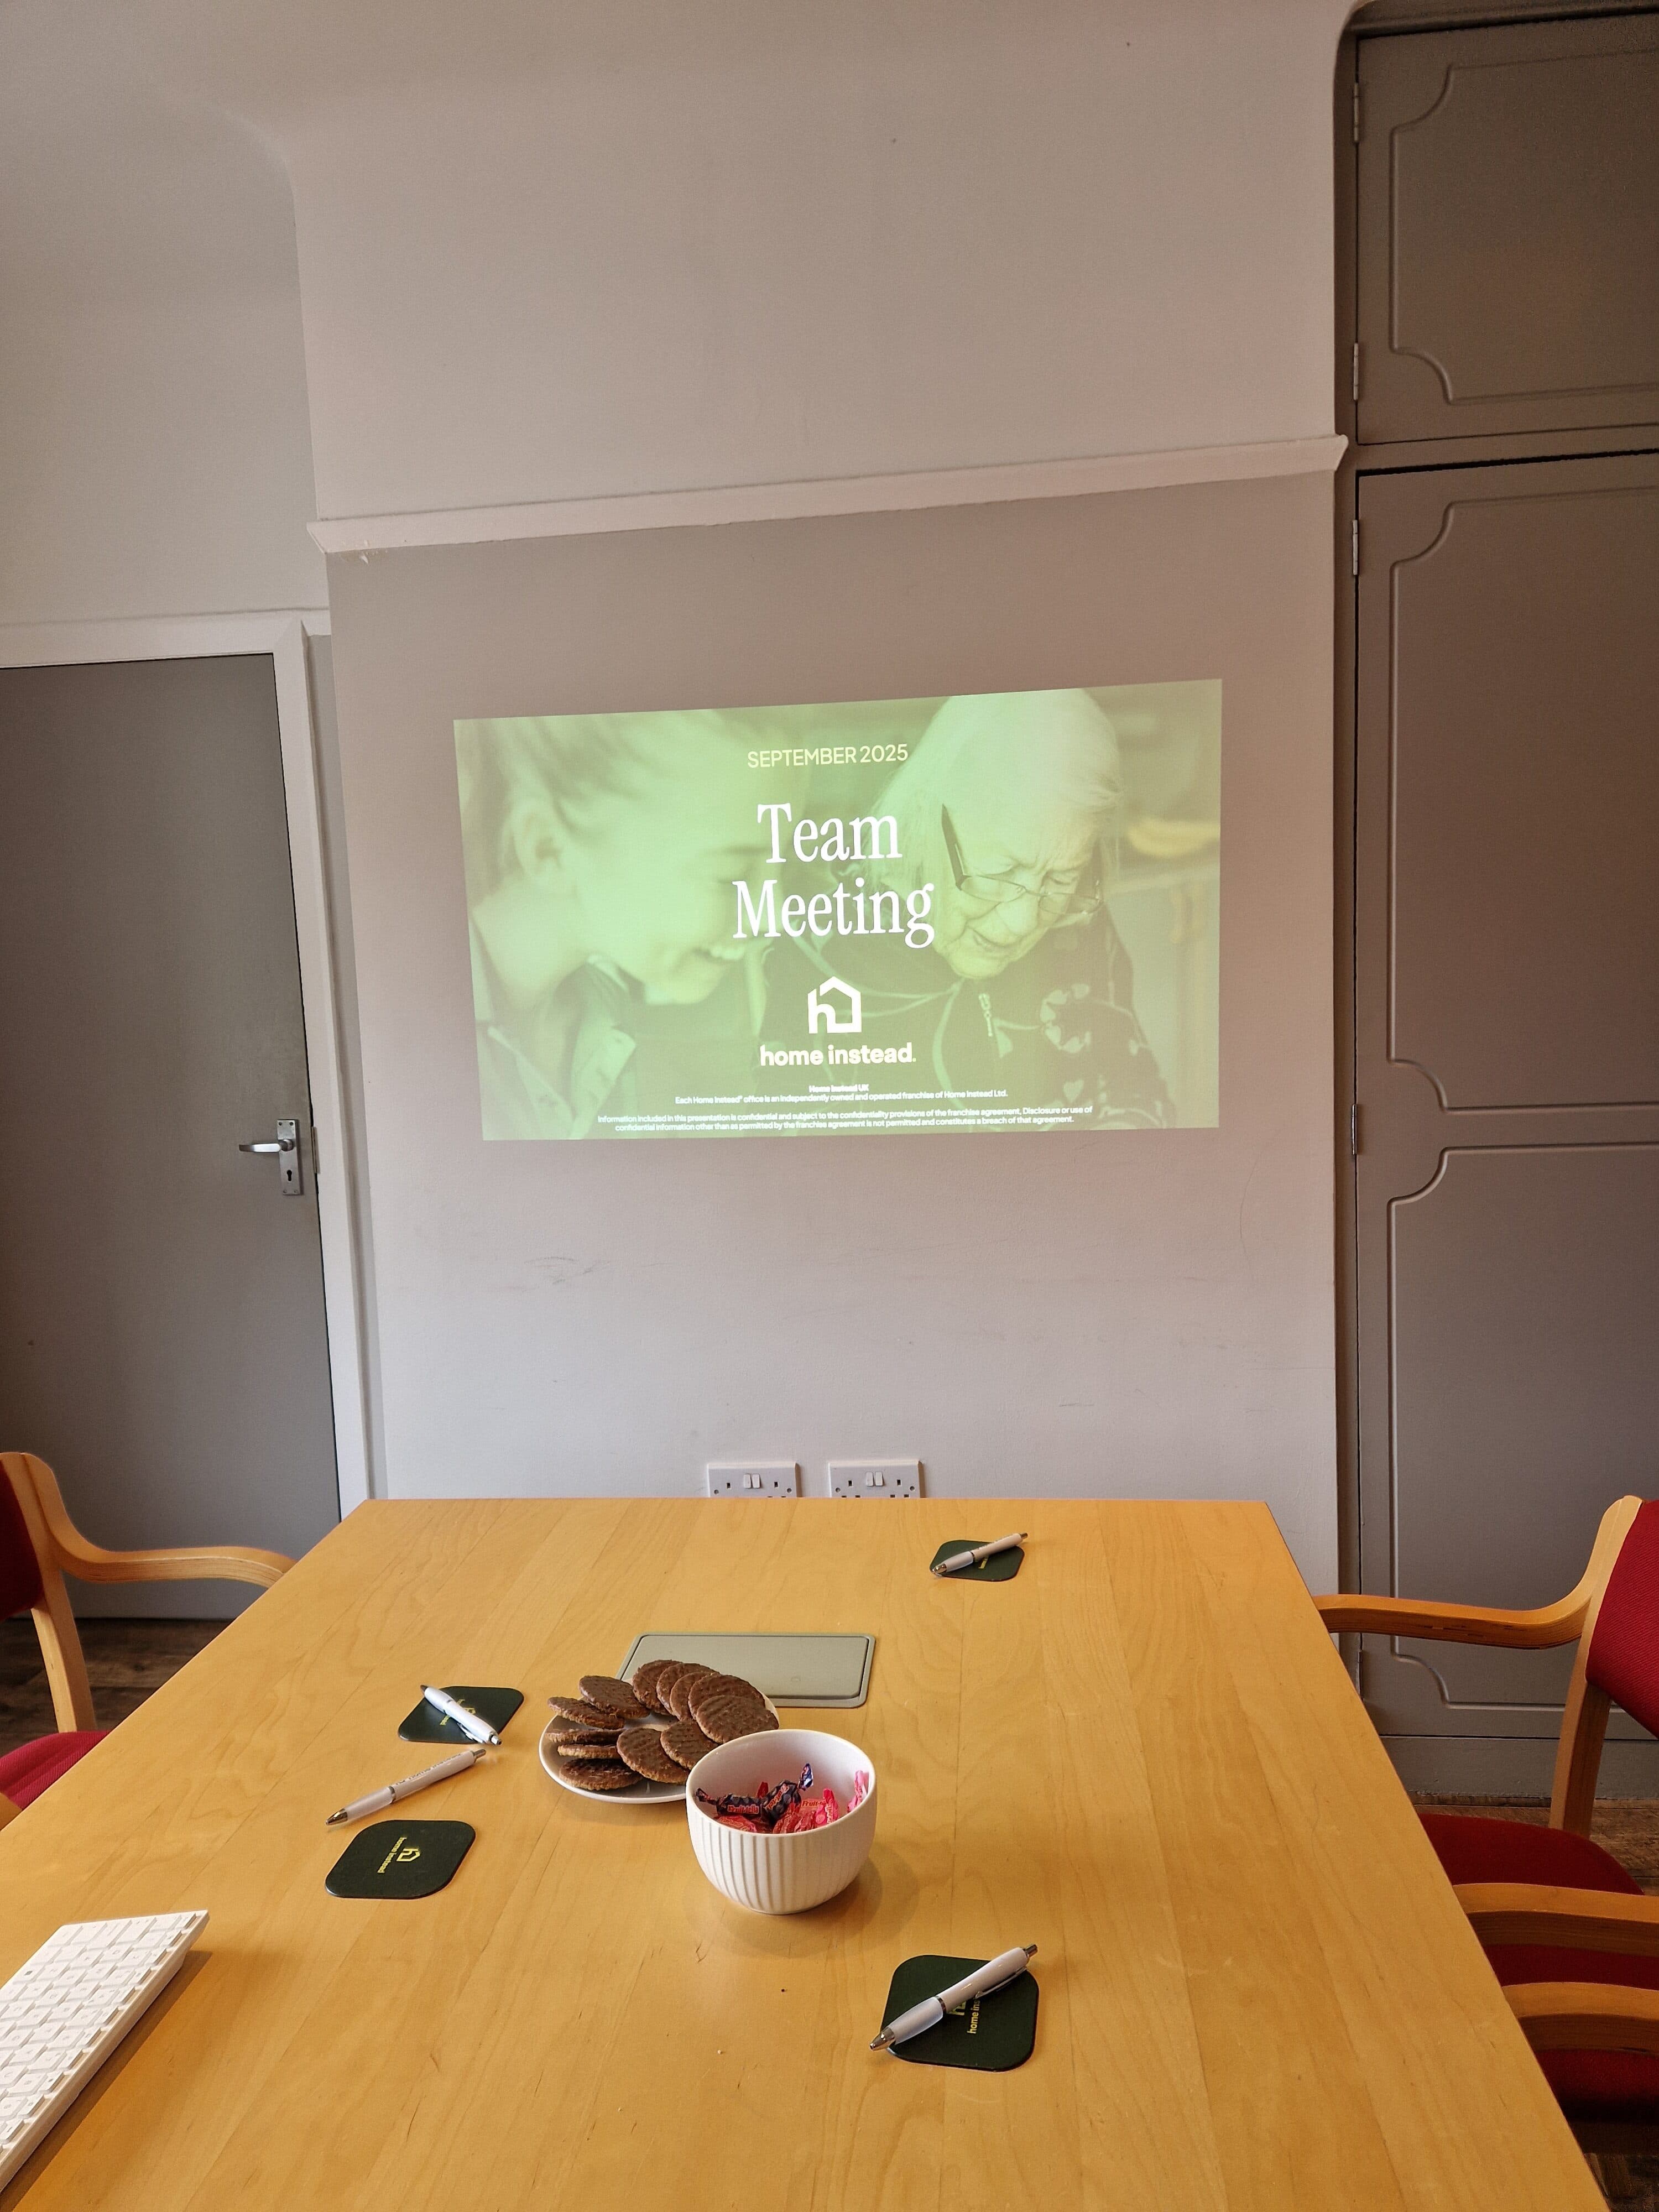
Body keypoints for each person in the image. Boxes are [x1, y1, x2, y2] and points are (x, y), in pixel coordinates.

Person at [756, 689, 1174, 1130]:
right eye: (1000, 871)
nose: (1025, 921)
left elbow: (1135, 1089)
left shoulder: (1078, 920)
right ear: (923, 819)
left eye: (1060, 878)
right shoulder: (826, 936)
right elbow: (787, 1139)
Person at [457, 710, 790, 1138]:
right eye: (729, 874)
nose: (774, 916)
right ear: (548, 849)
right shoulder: (413, 1045)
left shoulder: (604, 1012)